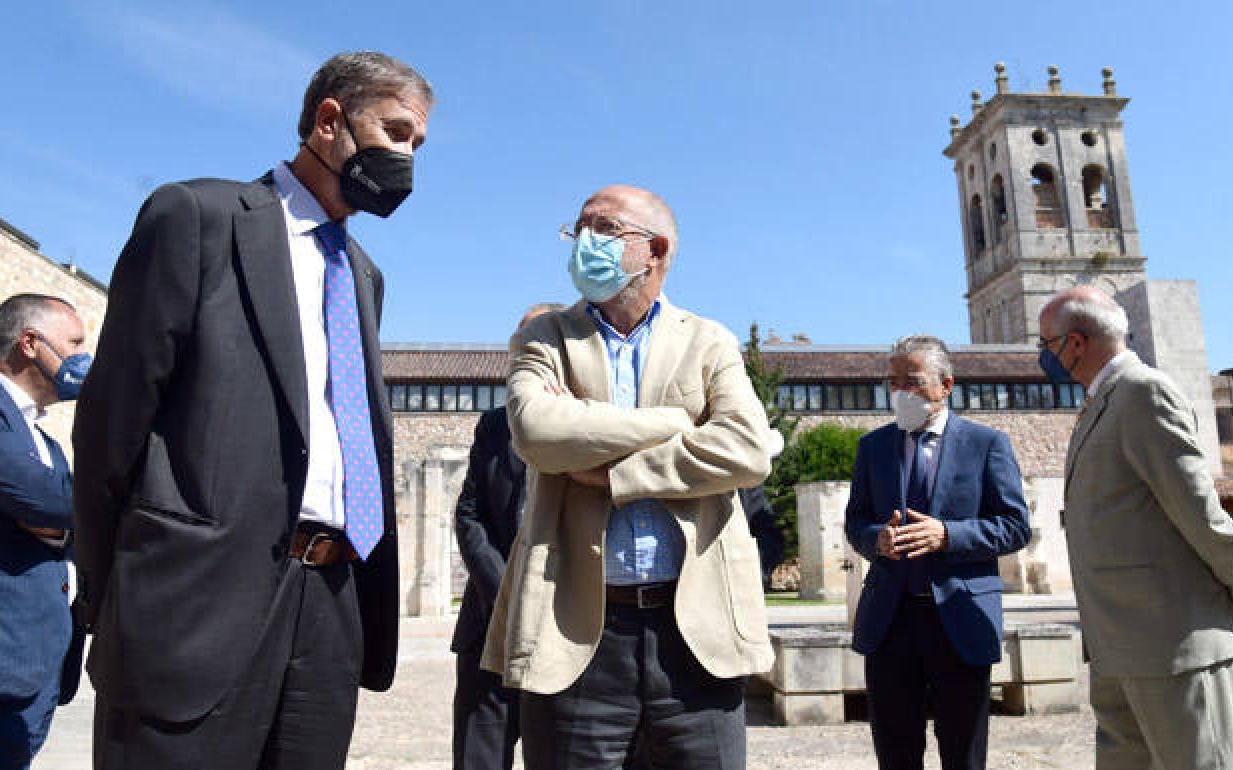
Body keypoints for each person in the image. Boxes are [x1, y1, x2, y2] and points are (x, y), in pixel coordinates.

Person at [72, 51, 432, 768]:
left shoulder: (363, 274)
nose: (407, 157)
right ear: (330, 121)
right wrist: (115, 593)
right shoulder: (199, 217)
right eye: (395, 132)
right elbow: (112, 423)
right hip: (195, 599)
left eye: (418, 144)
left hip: (330, 601)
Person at [481, 184, 772, 770]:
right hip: (579, 632)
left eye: (604, 228)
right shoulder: (545, 336)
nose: (584, 240)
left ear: (655, 249)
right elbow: (537, 431)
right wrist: (673, 424)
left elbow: (746, 451)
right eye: (579, 228)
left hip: (696, 635)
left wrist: (619, 477)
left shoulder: (709, 340)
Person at [1038, 285, 1233, 770]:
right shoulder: (1100, 401)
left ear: (1077, 343)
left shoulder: (1143, 392)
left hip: (1171, 643)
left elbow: (1200, 513)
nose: (1043, 357)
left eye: (1047, 344)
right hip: (1119, 645)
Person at [845, 334, 1030, 770]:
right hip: (890, 622)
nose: (900, 392)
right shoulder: (872, 448)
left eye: (912, 380)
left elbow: (1015, 527)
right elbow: (856, 523)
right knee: (895, 753)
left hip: (960, 621)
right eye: (892, 382)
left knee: (963, 754)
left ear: (946, 385)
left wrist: (947, 535)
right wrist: (877, 541)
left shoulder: (987, 444)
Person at [452, 302, 564, 770]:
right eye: (521, 343)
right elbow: (469, 514)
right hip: (489, 623)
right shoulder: (494, 426)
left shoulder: (593, 421)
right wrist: (504, 592)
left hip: (563, 628)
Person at [0, 294, 88, 770]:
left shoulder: (45, 442)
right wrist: (67, 520)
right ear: (30, 343)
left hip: (36, 675)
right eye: (73, 343)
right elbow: (46, 501)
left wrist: (62, 527)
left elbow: (67, 519)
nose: (82, 358)